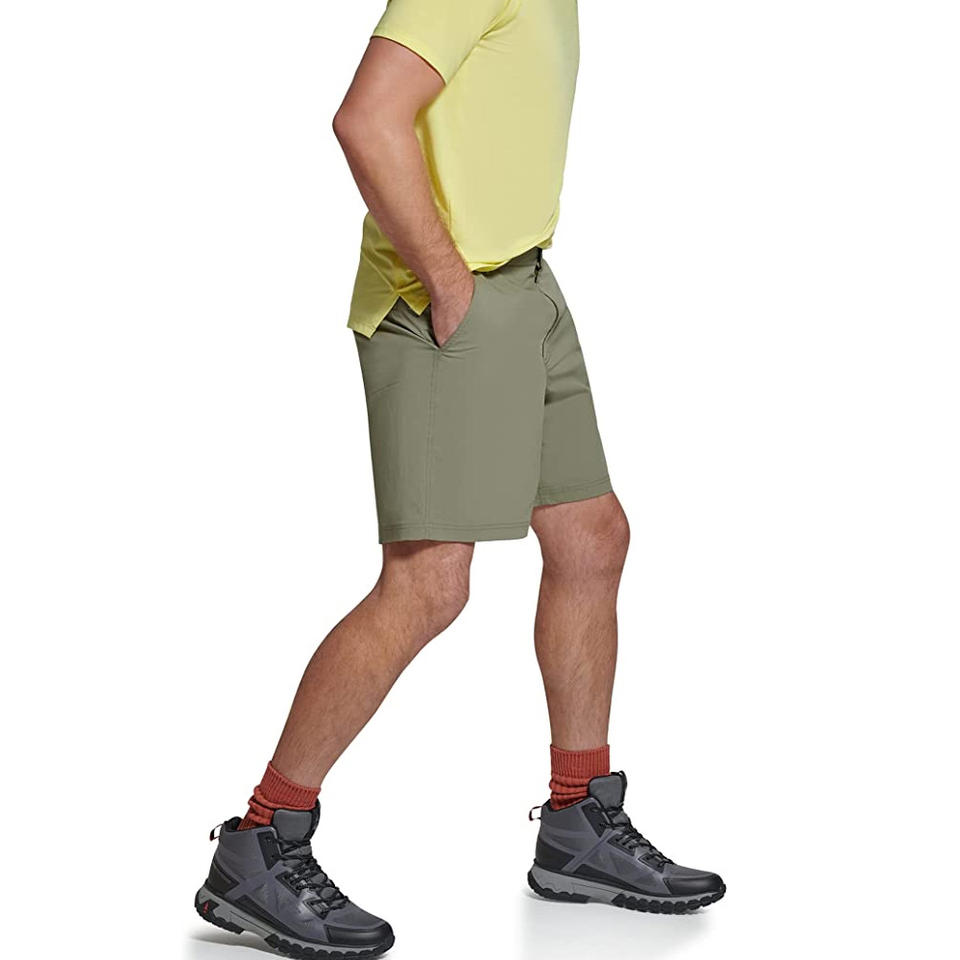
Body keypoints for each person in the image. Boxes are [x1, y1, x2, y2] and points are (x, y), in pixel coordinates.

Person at [195, 1, 724, 954]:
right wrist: (447, 284)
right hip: (449, 299)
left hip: (526, 286)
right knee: (429, 585)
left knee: (591, 537)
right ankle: (262, 841)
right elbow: (365, 118)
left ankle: (578, 821)